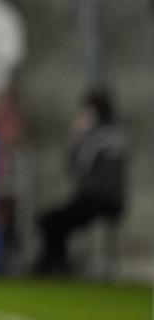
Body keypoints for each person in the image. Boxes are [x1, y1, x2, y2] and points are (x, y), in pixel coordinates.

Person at [36, 90, 127, 275]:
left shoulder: (97, 137)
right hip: (112, 198)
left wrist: (77, 135)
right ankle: (55, 263)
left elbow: (76, 166)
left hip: (95, 198)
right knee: (55, 220)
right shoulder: (118, 134)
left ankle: (55, 265)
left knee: (50, 221)